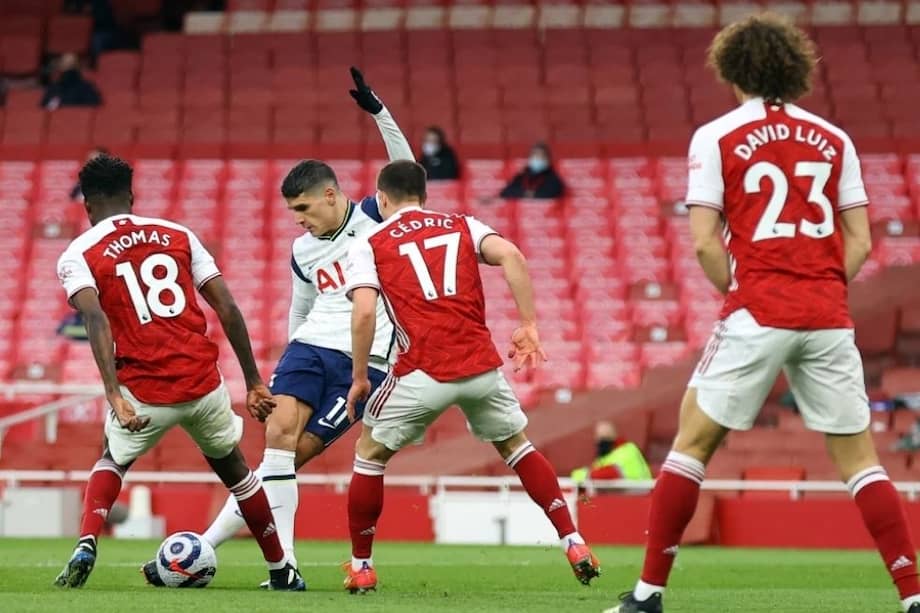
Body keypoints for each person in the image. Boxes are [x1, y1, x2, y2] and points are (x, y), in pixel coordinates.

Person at [608, 14, 920, 613]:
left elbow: (703, 241)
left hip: (759, 308)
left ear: (730, 69)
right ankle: (912, 596)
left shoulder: (716, 136)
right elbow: (860, 238)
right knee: (860, 460)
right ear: (795, 67)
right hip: (828, 315)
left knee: (692, 443)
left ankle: (647, 596)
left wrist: (746, 289)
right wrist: (822, 282)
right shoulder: (834, 138)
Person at [147, 67, 414, 584]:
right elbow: (300, 309)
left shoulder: (374, 219)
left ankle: (202, 545)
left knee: (292, 460)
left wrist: (379, 113)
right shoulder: (302, 249)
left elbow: (404, 169)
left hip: (367, 362)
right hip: (310, 349)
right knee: (276, 444)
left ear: (333, 195)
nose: (299, 219)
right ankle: (284, 565)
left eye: (304, 208)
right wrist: (278, 368)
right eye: (293, 211)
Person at [342, 159, 600, 593]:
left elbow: (365, 310)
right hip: (480, 367)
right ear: (424, 196)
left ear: (381, 198)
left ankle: (361, 565)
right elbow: (512, 255)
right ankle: (573, 542)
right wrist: (528, 324)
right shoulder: (463, 224)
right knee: (517, 447)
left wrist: (358, 378)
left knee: (369, 455)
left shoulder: (369, 242)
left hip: (420, 370)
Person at [53, 154, 303, 591]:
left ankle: (87, 541)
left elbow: (95, 320)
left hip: (145, 390)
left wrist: (113, 394)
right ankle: (281, 569)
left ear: (88, 206)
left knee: (113, 458)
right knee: (239, 474)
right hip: (202, 384)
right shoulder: (178, 234)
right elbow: (226, 305)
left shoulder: (78, 253)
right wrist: (254, 381)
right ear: (130, 197)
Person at [570, 421, 652, 489]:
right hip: (623, 497)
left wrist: (584, 475)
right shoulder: (605, 457)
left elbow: (612, 472)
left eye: (607, 435)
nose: (603, 440)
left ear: (614, 435)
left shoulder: (627, 449)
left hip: (640, 495)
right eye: (600, 437)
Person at [499, 142, 564, 199]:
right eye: (535, 156)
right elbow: (505, 192)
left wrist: (534, 194)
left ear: (548, 160)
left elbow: (552, 193)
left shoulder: (553, 177)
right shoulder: (522, 175)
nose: (538, 159)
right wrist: (525, 193)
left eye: (541, 156)